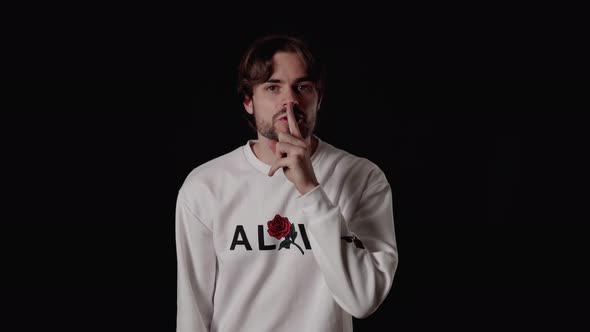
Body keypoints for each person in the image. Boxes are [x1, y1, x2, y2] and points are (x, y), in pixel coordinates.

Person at [175, 35, 399, 332]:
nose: (290, 100)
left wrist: (311, 190)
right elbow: (192, 314)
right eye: (272, 87)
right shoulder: (205, 186)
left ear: (319, 98)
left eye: (302, 87)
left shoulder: (362, 177)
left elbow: (363, 300)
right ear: (248, 101)